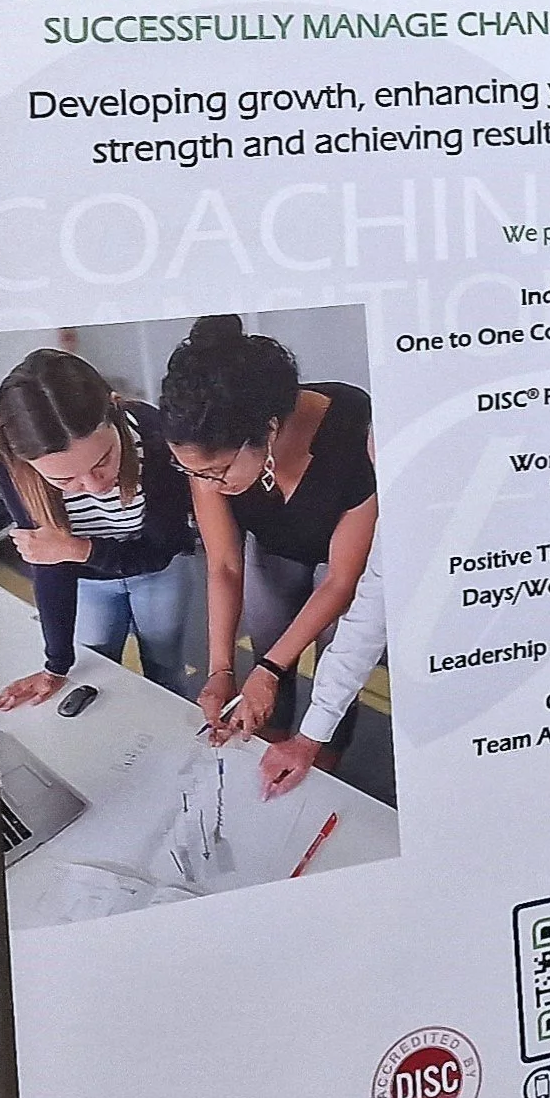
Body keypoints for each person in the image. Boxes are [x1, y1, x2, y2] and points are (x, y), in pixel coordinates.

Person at [158, 316, 377, 800]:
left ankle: (323, 770)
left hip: (342, 562)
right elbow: (223, 564)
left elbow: (343, 579)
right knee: (265, 651)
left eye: (218, 472)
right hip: (274, 552)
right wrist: (221, 671)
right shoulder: (206, 441)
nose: (210, 484)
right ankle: (271, 748)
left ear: (269, 430)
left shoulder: (353, 429)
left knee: (336, 667)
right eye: (195, 473)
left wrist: (275, 671)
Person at [0, 349, 197, 707]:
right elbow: (48, 562)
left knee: (165, 667)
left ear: (114, 412)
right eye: (65, 478)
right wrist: (55, 665)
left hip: (159, 572)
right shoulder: (13, 467)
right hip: (87, 582)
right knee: (98, 667)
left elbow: (164, 547)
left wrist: (76, 549)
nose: (97, 486)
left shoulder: (153, 432)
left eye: (103, 461)